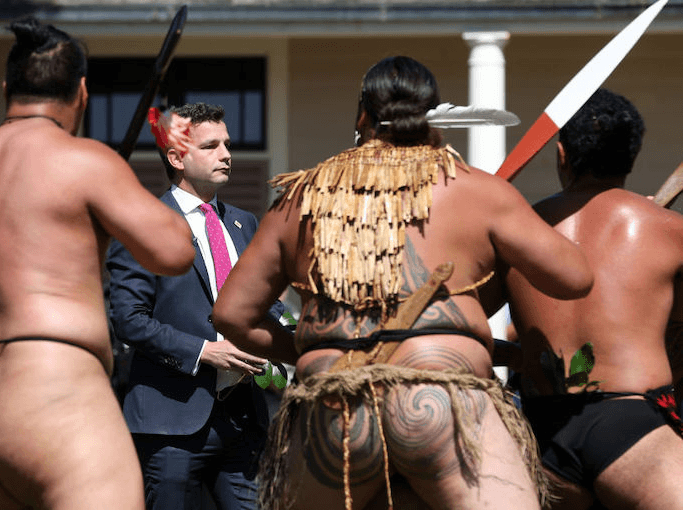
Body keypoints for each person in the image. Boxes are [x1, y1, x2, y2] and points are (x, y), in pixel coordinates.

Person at [211, 55, 594, 510]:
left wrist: (318, 349)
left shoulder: (300, 197)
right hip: (442, 398)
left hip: (334, 408)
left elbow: (231, 315)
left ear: (362, 116)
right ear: (433, 118)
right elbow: (574, 277)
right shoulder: (476, 189)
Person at [0, 17, 194, 510]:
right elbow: (175, 252)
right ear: (82, 92)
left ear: (6, 89)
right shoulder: (85, 161)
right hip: (55, 381)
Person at [503, 88, 683, 510]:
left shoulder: (516, 228)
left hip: (536, 430)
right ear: (632, 157)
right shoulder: (668, 229)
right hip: (630, 425)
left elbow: (484, 329)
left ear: (561, 154)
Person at [107, 102, 284, 510]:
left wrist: (299, 338)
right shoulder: (143, 225)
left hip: (244, 420)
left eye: (227, 144)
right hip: (171, 424)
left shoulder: (244, 223)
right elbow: (129, 320)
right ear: (176, 158)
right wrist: (205, 352)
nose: (226, 154)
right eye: (211, 146)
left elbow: (266, 303)